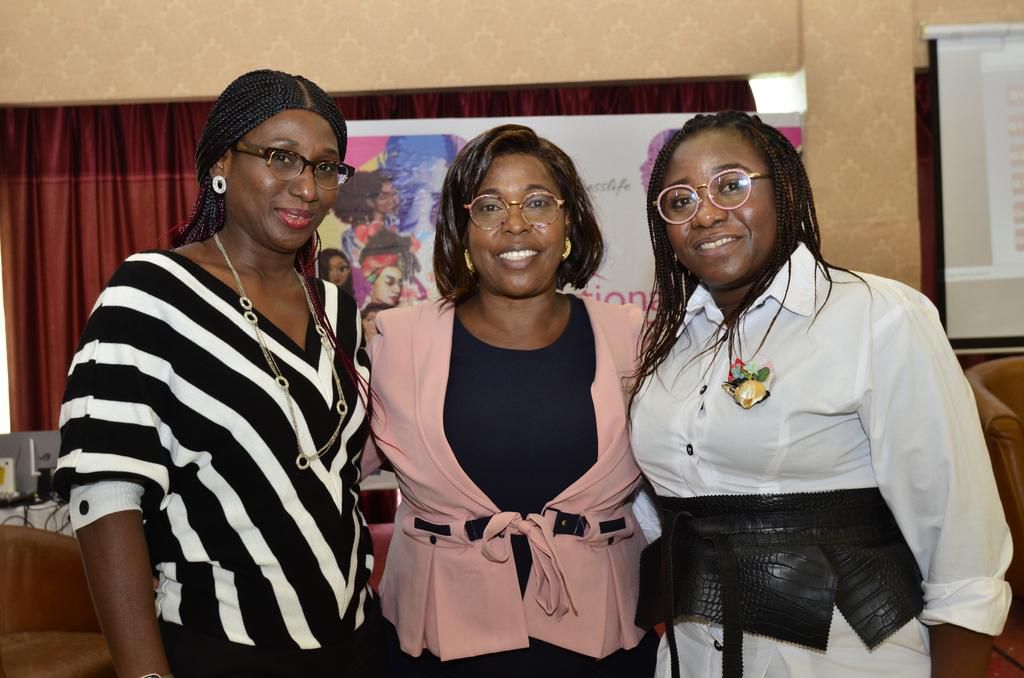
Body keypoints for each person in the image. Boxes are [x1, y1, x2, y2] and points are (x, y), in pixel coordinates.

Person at [628, 111, 1012, 678]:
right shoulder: (672, 343)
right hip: (693, 656)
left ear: (782, 189)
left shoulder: (878, 317)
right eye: (679, 200)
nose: (705, 213)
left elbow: (961, 549)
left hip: (840, 659)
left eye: (730, 185)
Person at [53, 69, 386, 678]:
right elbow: (105, 497)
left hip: (357, 645)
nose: (306, 187)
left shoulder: (335, 305)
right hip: (222, 647)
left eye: (325, 167)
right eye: (281, 157)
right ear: (222, 163)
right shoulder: (150, 293)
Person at [364, 124, 659, 678]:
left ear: (570, 220)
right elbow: (324, 473)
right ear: (462, 228)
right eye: (491, 206)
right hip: (438, 643)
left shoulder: (634, 337)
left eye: (539, 202)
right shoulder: (395, 342)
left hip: (601, 642)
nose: (516, 224)